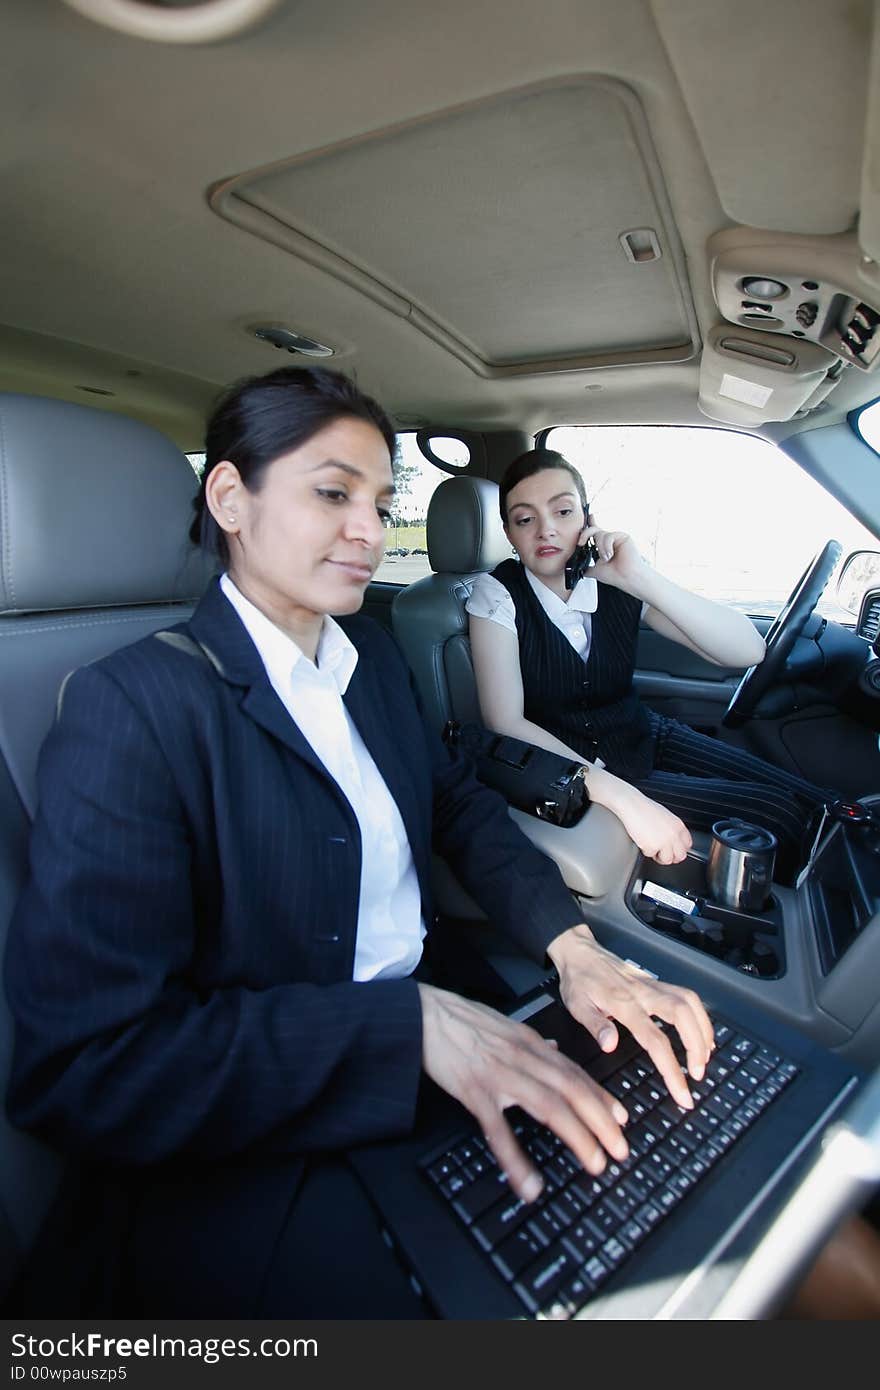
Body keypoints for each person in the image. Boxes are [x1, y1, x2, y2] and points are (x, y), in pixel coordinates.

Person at [3, 368, 714, 1318]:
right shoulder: (131, 706)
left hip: (446, 1024)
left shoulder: (369, 657)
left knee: (665, 1165)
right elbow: (85, 1069)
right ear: (230, 499)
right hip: (267, 1140)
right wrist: (404, 1026)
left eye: (381, 502)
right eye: (333, 493)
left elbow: (456, 806)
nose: (371, 531)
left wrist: (571, 948)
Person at [466, 448, 833, 878]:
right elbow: (505, 722)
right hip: (585, 769)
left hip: (648, 734)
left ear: (587, 519)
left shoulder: (617, 579)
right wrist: (622, 797)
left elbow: (747, 651)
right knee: (780, 815)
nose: (546, 530)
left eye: (563, 511)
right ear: (509, 533)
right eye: (525, 519)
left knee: (810, 798)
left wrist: (638, 578)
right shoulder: (496, 595)